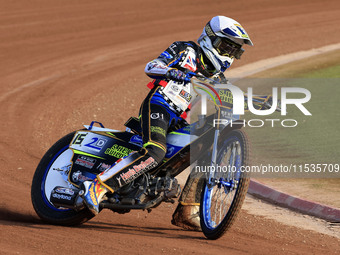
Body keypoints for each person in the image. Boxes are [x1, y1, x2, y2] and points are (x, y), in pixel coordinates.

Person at [82, 15, 253, 230]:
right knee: (155, 151)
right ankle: (98, 186)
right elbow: (151, 66)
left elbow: (226, 95)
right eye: (226, 47)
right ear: (210, 38)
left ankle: (188, 209)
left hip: (179, 120)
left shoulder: (216, 76)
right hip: (159, 105)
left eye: (234, 51)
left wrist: (255, 102)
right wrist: (171, 71)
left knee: (207, 141)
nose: (228, 54)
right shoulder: (186, 49)